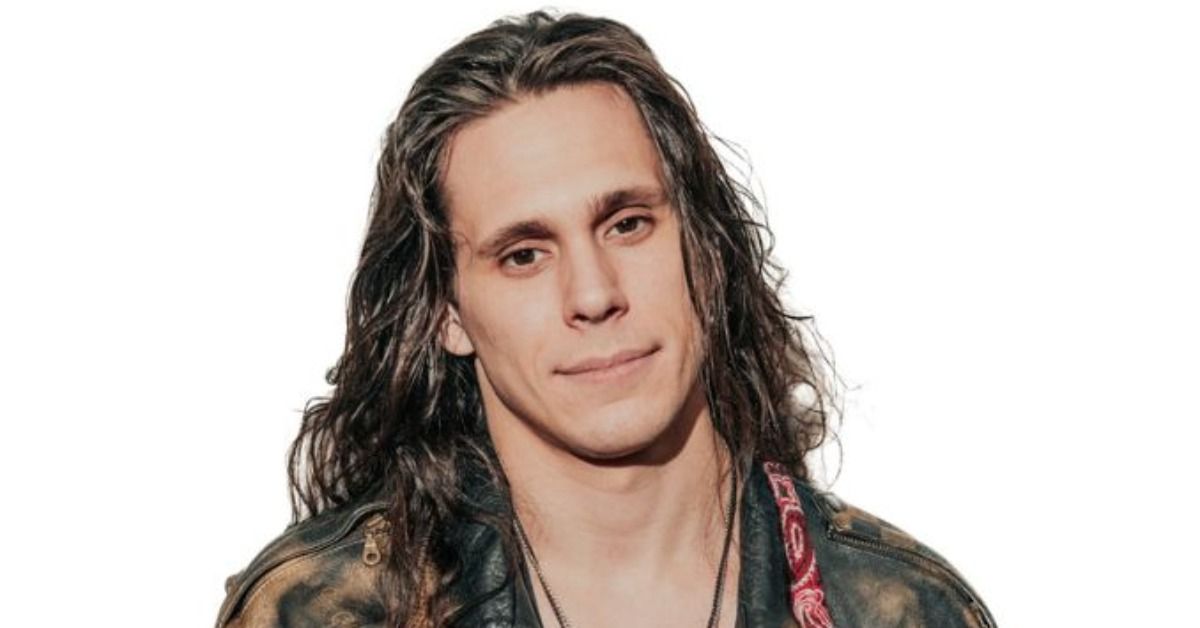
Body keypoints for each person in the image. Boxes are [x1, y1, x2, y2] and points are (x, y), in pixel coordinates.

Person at [215, 10, 994, 628]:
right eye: (524, 254)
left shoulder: (898, 610)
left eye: (627, 224)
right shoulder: (325, 612)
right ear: (446, 314)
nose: (593, 294)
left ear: (707, 251)